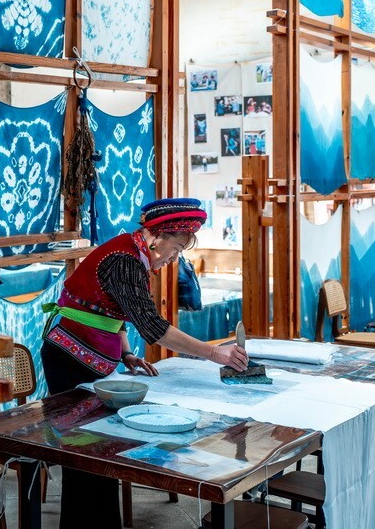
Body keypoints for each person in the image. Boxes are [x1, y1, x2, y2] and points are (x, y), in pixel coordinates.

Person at [40, 198, 247, 529]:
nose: (173, 258)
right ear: (158, 236)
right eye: (175, 249)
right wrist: (214, 354)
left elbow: (112, 309)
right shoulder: (124, 260)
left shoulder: (132, 253)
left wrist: (126, 354)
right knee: (83, 449)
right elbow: (153, 327)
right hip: (70, 357)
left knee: (102, 445)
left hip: (91, 354)